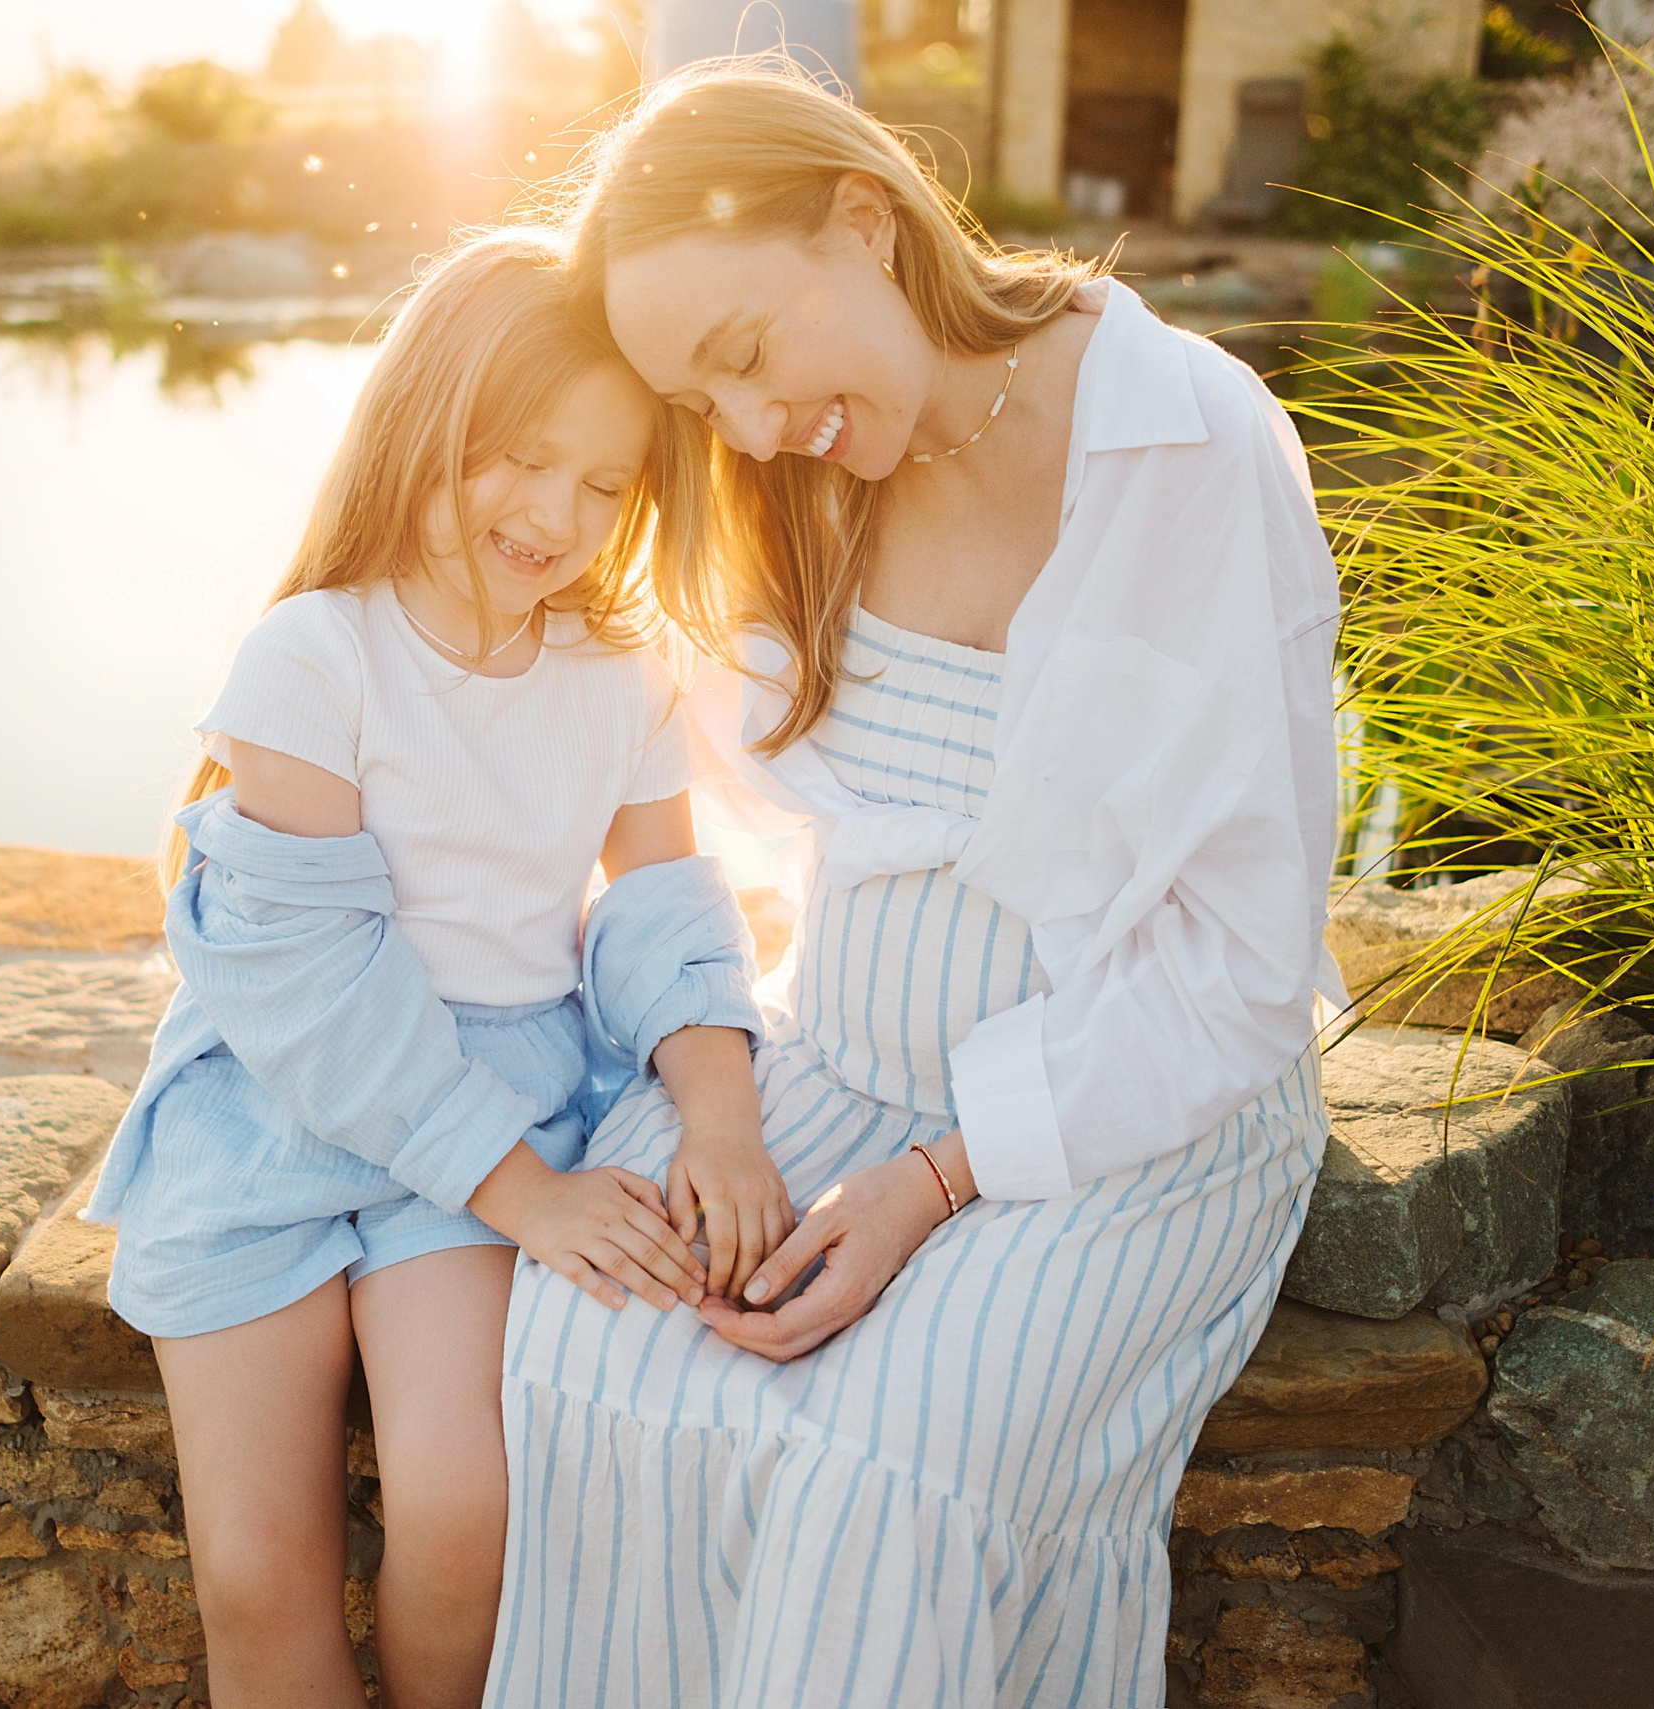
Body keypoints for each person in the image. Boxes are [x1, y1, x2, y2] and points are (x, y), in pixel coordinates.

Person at [486, 65, 1347, 1708]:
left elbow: (1241, 966)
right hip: (837, 1065)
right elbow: (628, 770)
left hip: (1126, 1116)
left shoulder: (1187, 442)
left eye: (745, 353)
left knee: (884, 1470)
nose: (745, 427)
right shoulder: (784, 483)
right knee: (596, 1348)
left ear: (862, 221)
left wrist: (937, 1181)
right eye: (701, 399)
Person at [80, 229, 791, 1709]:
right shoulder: (315, 657)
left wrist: (719, 1114)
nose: (558, 515)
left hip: (483, 1116)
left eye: (606, 485)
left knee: (468, 1510)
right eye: (521, 461)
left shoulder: (622, 673)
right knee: (255, 1573)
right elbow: (316, 985)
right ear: (424, 428)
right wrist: (529, 1196)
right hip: (274, 1111)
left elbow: (661, 900)